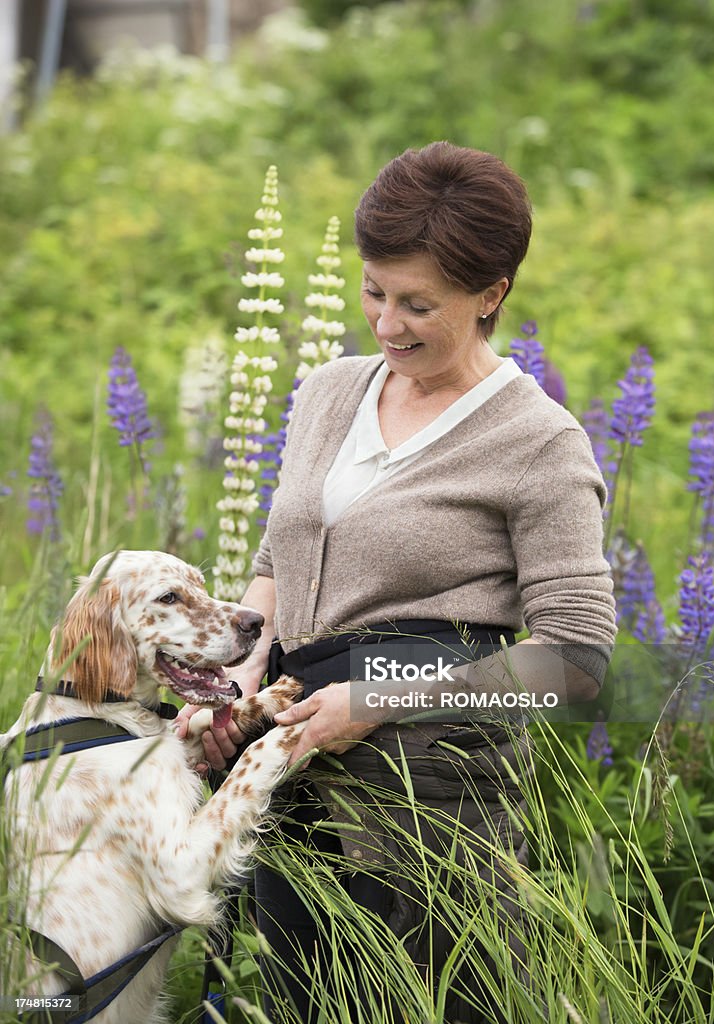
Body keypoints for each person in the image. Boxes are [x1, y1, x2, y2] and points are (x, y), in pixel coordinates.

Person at [179, 141, 617, 1022]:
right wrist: (233, 678)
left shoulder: (540, 442)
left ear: (492, 294)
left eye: (420, 304)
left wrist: (378, 699)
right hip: (292, 759)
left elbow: (575, 662)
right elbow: (278, 563)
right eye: (374, 291)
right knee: (304, 1003)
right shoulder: (328, 392)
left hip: (430, 790)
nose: (387, 323)